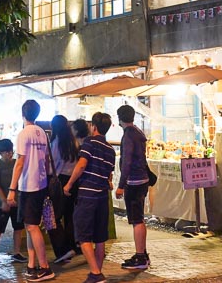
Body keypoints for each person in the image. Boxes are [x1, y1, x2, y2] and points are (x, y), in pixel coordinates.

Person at [64, 112, 115, 283]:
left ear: (93, 126)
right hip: (102, 197)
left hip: (87, 194)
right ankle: (96, 272)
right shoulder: (110, 149)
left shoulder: (89, 143)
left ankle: (95, 273)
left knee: (83, 235)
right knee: (100, 238)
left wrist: (69, 184)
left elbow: (81, 164)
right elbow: (109, 176)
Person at [7, 100, 55, 282]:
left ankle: (45, 268)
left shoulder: (23, 134)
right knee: (30, 226)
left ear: (23, 114)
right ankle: (31, 265)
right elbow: (46, 160)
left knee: (33, 227)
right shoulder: (42, 132)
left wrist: (12, 188)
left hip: (29, 186)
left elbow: (19, 163)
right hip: (41, 184)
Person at [115, 104, 151, 270]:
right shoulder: (138, 132)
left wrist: (121, 185)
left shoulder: (129, 135)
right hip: (142, 180)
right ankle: (142, 253)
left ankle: (140, 256)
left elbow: (127, 161)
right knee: (140, 219)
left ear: (119, 118)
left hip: (134, 182)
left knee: (136, 220)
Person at [0, 138, 26, 267]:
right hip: (1, 203)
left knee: (18, 227)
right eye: (6, 152)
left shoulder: (16, 163)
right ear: (0, 153)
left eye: (11, 151)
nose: (10, 154)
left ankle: (17, 252)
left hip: (17, 201)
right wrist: (4, 200)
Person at [48, 114, 78, 264]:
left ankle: (63, 250)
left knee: (54, 217)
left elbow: (51, 163)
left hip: (60, 182)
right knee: (70, 216)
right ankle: (71, 246)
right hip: (73, 182)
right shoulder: (73, 141)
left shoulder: (56, 141)